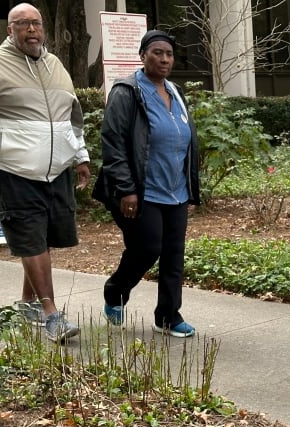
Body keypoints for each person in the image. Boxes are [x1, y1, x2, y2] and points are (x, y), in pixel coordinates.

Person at [0, 2, 91, 343]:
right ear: (10, 29)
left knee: (41, 240)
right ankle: (51, 314)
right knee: (30, 239)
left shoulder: (56, 65)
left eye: (36, 23)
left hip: (56, 171)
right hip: (12, 171)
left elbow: (71, 118)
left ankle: (28, 304)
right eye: (22, 24)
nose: (31, 29)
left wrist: (80, 156)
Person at [93, 30, 201, 337]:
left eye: (169, 54)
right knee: (148, 247)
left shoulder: (175, 92)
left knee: (173, 256)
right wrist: (126, 188)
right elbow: (112, 143)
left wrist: (189, 187)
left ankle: (168, 316)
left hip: (175, 190)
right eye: (157, 52)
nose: (164, 59)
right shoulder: (127, 91)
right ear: (143, 55)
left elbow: (186, 141)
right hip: (142, 191)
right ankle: (115, 291)